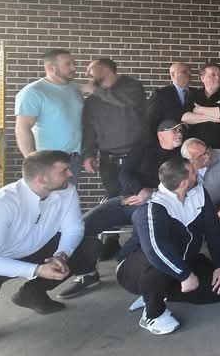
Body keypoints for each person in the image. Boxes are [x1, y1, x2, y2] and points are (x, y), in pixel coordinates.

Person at [0, 151, 97, 349]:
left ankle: (32, 293)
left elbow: (73, 229)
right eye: (64, 171)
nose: (70, 174)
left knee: (88, 247)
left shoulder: (67, 191)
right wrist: (37, 270)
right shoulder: (0, 203)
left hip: (30, 249)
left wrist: (61, 255)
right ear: (41, 179)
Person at [56, 120, 186, 299]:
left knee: (144, 233)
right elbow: (125, 173)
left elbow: (182, 185)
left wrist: (153, 192)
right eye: (174, 130)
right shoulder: (143, 148)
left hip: (154, 206)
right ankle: (87, 273)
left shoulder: (181, 157)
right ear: (161, 135)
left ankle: (139, 277)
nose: (179, 133)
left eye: (180, 130)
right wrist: (139, 190)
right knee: (83, 226)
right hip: (127, 200)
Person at [116, 159, 220, 335]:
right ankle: (152, 314)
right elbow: (155, 250)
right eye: (193, 171)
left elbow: (213, 230)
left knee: (217, 290)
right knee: (160, 260)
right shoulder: (152, 208)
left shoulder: (199, 192)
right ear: (183, 183)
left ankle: (156, 294)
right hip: (136, 269)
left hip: (183, 260)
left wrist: (219, 266)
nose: (197, 172)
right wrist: (185, 275)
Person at [81, 57, 147, 197]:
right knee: (114, 198)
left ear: (105, 69)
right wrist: (89, 154)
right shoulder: (92, 100)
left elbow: (126, 100)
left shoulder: (132, 87)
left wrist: (96, 91)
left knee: (138, 197)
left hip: (137, 156)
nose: (87, 74)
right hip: (108, 159)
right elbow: (89, 129)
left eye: (90, 69)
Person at [14, 49, 84, 173]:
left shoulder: (74, 87)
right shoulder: (33, 92)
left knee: (69, 187)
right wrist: (33, 162)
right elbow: (22, 128)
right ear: (51, 68)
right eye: (68, 64)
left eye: (74, 63)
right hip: (47, 161)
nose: (74, 68)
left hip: (74, 158)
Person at [181, 62, 220, 153]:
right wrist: (212, 118)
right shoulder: (194, 95)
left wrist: (198, 110)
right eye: (213, 75)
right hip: (197, 151)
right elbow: (185, 118)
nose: (218, 78)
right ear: (202, 78)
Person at [181, 137, 220, 208]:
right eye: (200, 157)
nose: (207, 156)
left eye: (206, 151)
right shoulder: (183, 171)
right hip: (200, 210)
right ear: (190, 161)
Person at [147, 62, 195, 132]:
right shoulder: (160, 94)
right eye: (184, 72)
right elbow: (151, 121)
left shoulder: (195, 93)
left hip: (192, 137)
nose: (189, 74)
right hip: (168, 136)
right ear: (173, 75)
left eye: (190, 72)